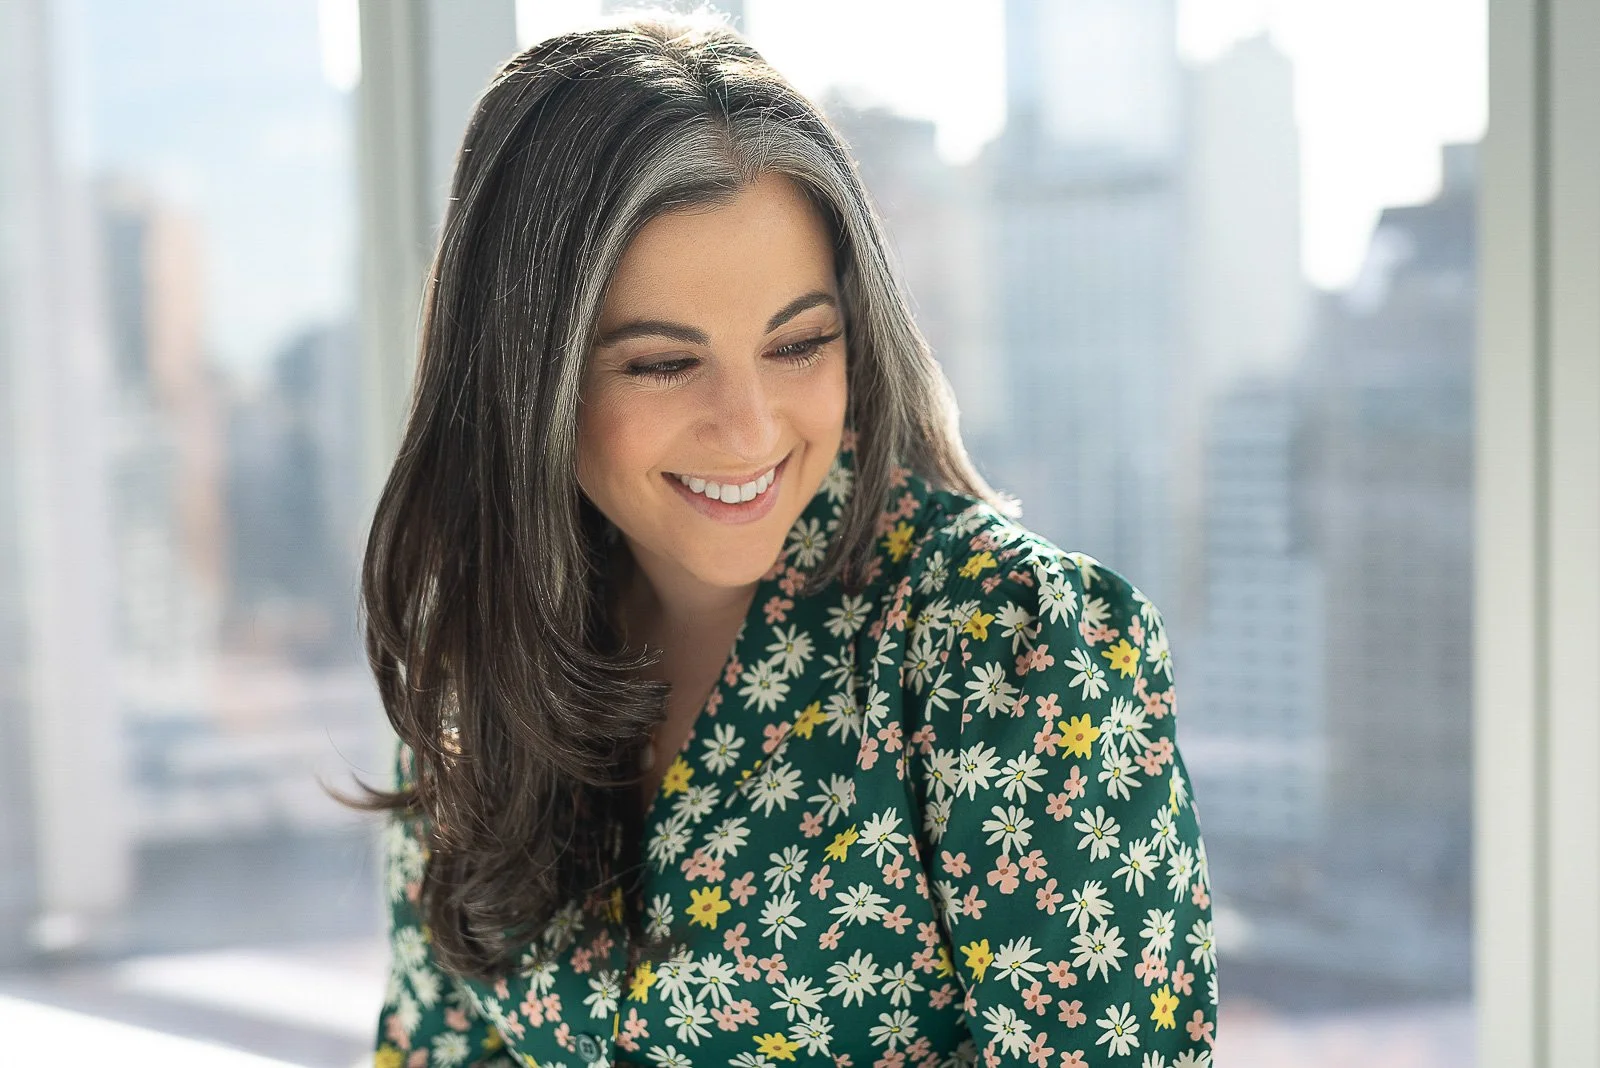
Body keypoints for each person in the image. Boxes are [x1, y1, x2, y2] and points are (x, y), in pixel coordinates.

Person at [360, 12, 1218, 1068]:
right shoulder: (486, 659)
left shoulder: (1003, 652)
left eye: (799, 344)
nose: (753, 429)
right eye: (663, 364)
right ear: (523, 379)